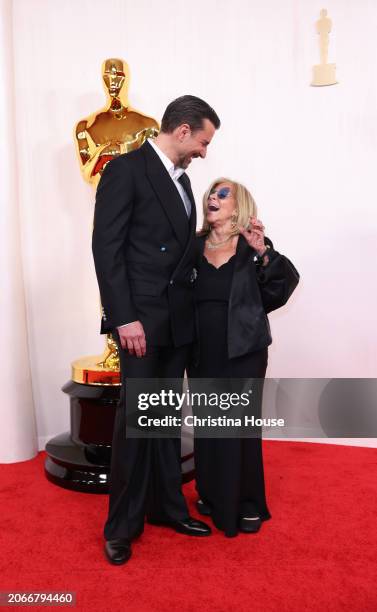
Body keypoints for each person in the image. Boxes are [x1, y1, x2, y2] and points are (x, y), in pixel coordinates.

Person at [92, 95, 220, 565]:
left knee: (165, 422)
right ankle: (121, 526)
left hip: (176, 322)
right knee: (136, 425)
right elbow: (108, 251)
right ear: (182, 131)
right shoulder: (125, 171)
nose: (205, 152)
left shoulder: (185, 182)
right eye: (204, 141)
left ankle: (166, 508)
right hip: (140, 322)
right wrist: (124, 317)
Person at [189, 177, 299, 537]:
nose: (213, 198)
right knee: (207, 423)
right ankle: (209, 493)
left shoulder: (251, 245)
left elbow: (280, 289)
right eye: (211, 193)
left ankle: (248, 502)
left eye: (224, 194)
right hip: (202, 350)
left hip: (244, 350)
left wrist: (264, 252)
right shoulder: (193, 245)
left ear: (239, 206)